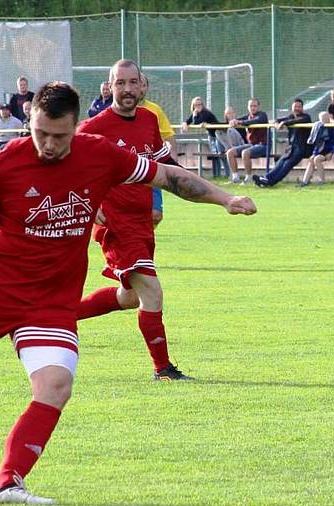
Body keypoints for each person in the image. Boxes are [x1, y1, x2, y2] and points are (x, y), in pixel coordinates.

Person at [0, 81, 256, 506]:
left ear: (76, 127)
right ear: (30, 122)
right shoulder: (4, 164)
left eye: (59, 136)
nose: (48, 144)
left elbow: (168, 176)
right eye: (40, 133)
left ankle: (7, 484)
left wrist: (225, 198)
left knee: (56, 385)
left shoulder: (101, 154)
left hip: (51, 299)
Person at [77, 60, 254, 381]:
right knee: (153, 293)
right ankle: (164, 370)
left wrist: (225, 198)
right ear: (109, 87)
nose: (127, 89)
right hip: (116, 225)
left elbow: (169, 171)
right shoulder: (93, 129)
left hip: (142, 221)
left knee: (131, 297)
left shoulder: (147, 120)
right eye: (120, 83)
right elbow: (63, 170)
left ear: (143, 86)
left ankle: (54, 316)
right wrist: (88, 206)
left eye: (133, 83)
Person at [138, 73, 177, 226]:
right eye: (136, 83)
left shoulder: (154, 110)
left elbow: (169, 137)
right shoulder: (116, 113)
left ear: (146, 88)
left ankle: (145, 238)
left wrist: (172, 165)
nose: (139, 88)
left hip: (151, 168)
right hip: (127, 172)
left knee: (155, 214)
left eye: (143, 84)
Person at [253, 98, 311, 187]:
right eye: (295, 106)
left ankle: (270, 182)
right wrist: (277, 124)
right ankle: (266, 179)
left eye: (299, 107)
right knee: (281, 162)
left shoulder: (306, 117)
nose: (297, 108)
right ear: (292, 108)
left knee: (287, 164)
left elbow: (296, 121)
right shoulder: (290, 116)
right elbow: (277, 120)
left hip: (302, 148)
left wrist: (284, 123)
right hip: (291, 147)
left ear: (302, 108)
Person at [226, 98, 269, 184]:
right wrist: (233, 121)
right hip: (251, 144)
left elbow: (256, 121)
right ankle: (235, 178)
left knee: (245, 152)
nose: (253, 108)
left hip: (263, 145)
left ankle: (248, 178)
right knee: (230, 152)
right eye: (251, 106)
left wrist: (241, 122)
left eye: (255, 106)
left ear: (258, 107)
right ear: (248, 107)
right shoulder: (247, 116)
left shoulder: (262, 115)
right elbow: (238, 120)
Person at [182, 96, 225, 177]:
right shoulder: (196, 113)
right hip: (211, 136)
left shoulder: (206, 112)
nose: (198, 106)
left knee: (222, 155)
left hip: (219, 135)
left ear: (203, 105)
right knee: (215, 155)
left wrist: (194, 116)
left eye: (200, 104)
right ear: (193, 106)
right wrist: (184, 123)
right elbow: (188, 121)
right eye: (196, 105)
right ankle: (217, 175)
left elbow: (196, 122)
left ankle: (227, 174)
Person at [299, 111, 334, 186]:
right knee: (312, 159)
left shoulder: (333, 128)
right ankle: (305, 181)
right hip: (321, 151)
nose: (324, 120)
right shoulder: (318, 128)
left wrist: (331, 152)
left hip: (329, 151)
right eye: (322, 119)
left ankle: (322, 181)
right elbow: (317, 144)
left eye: (326, 118)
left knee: (317, 159)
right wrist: (314, 153)